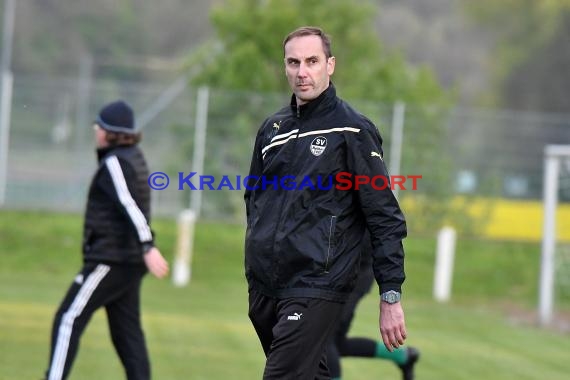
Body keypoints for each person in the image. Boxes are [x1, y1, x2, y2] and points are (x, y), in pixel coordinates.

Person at [244, 26, 408, 379]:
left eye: (312, 61)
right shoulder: (272, 130)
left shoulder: (352, 131)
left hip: (318, 284)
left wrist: (390, 294)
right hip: (265, 288)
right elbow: (254, 200)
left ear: (329, 66)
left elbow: (385, 216)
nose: (302, 71)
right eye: (294, 62)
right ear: (285, 67)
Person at [44, 100, 169, 380]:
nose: (95, 130)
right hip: (127, 261)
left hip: (111, 260)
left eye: (98, 125)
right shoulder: (134, 155)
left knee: (68, 319)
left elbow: (129, 205)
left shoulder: (115, 162)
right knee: (127, 335)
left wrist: (147, 245)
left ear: (107, 132)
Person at [326, 235, 420, 380]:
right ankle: (403, 356)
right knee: (336, 343)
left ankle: (404, 356)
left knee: (325, 339)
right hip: (337, 271)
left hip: (354, 271)